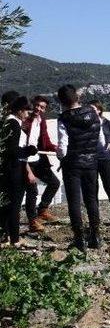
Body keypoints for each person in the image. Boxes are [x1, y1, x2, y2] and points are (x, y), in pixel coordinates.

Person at [56, 84, 102, 251]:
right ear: (77, 97)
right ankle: (95, 236)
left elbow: (62, 147)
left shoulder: (64, 118)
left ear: (61, 101)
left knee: (74, 201)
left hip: (73, 164)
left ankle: (79, 239)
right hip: (92, 162)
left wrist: (60, 156)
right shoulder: (93, 112)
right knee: (92, 199)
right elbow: (101, 140)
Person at [0, 97, 38, 246]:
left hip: (5, 169)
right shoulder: (14, 123)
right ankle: (15, 239)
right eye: (27, 111)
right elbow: (13, 151)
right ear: (20, 110)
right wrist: (29, 150)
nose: (28, 115)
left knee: (5, 204)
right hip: (13, 169)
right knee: (15, 205)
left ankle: (4, 236)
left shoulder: (5, 122)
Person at [22, 95, 60, 232]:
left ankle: (42, 210)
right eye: (37, 105)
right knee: (32, 191)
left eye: (42, 107)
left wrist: (55, 148)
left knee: (54, 183)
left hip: (38, 159)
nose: (38, 108)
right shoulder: (25, 120)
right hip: (25, 161)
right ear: (32, 105)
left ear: (45, 109)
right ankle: (32, 222)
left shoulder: (41, 121)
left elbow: (45, 140)